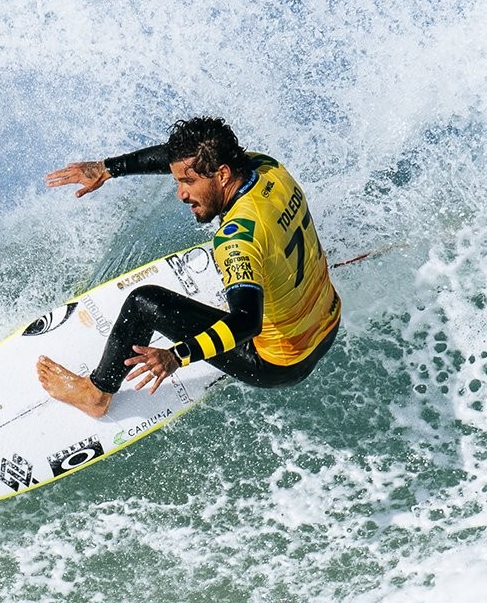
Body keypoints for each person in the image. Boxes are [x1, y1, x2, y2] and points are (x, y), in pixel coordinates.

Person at [36, 117, 341, 418]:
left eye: (188, 182)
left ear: (221, 174)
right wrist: (107, 168)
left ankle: (95, 395)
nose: (182, 194)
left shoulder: (236, 239)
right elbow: (184, 158)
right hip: (328, 322)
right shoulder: (268, 169)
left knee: (144, 303)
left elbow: (247, 323)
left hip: (280, 362)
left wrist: (177, 355)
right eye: (179, 180)